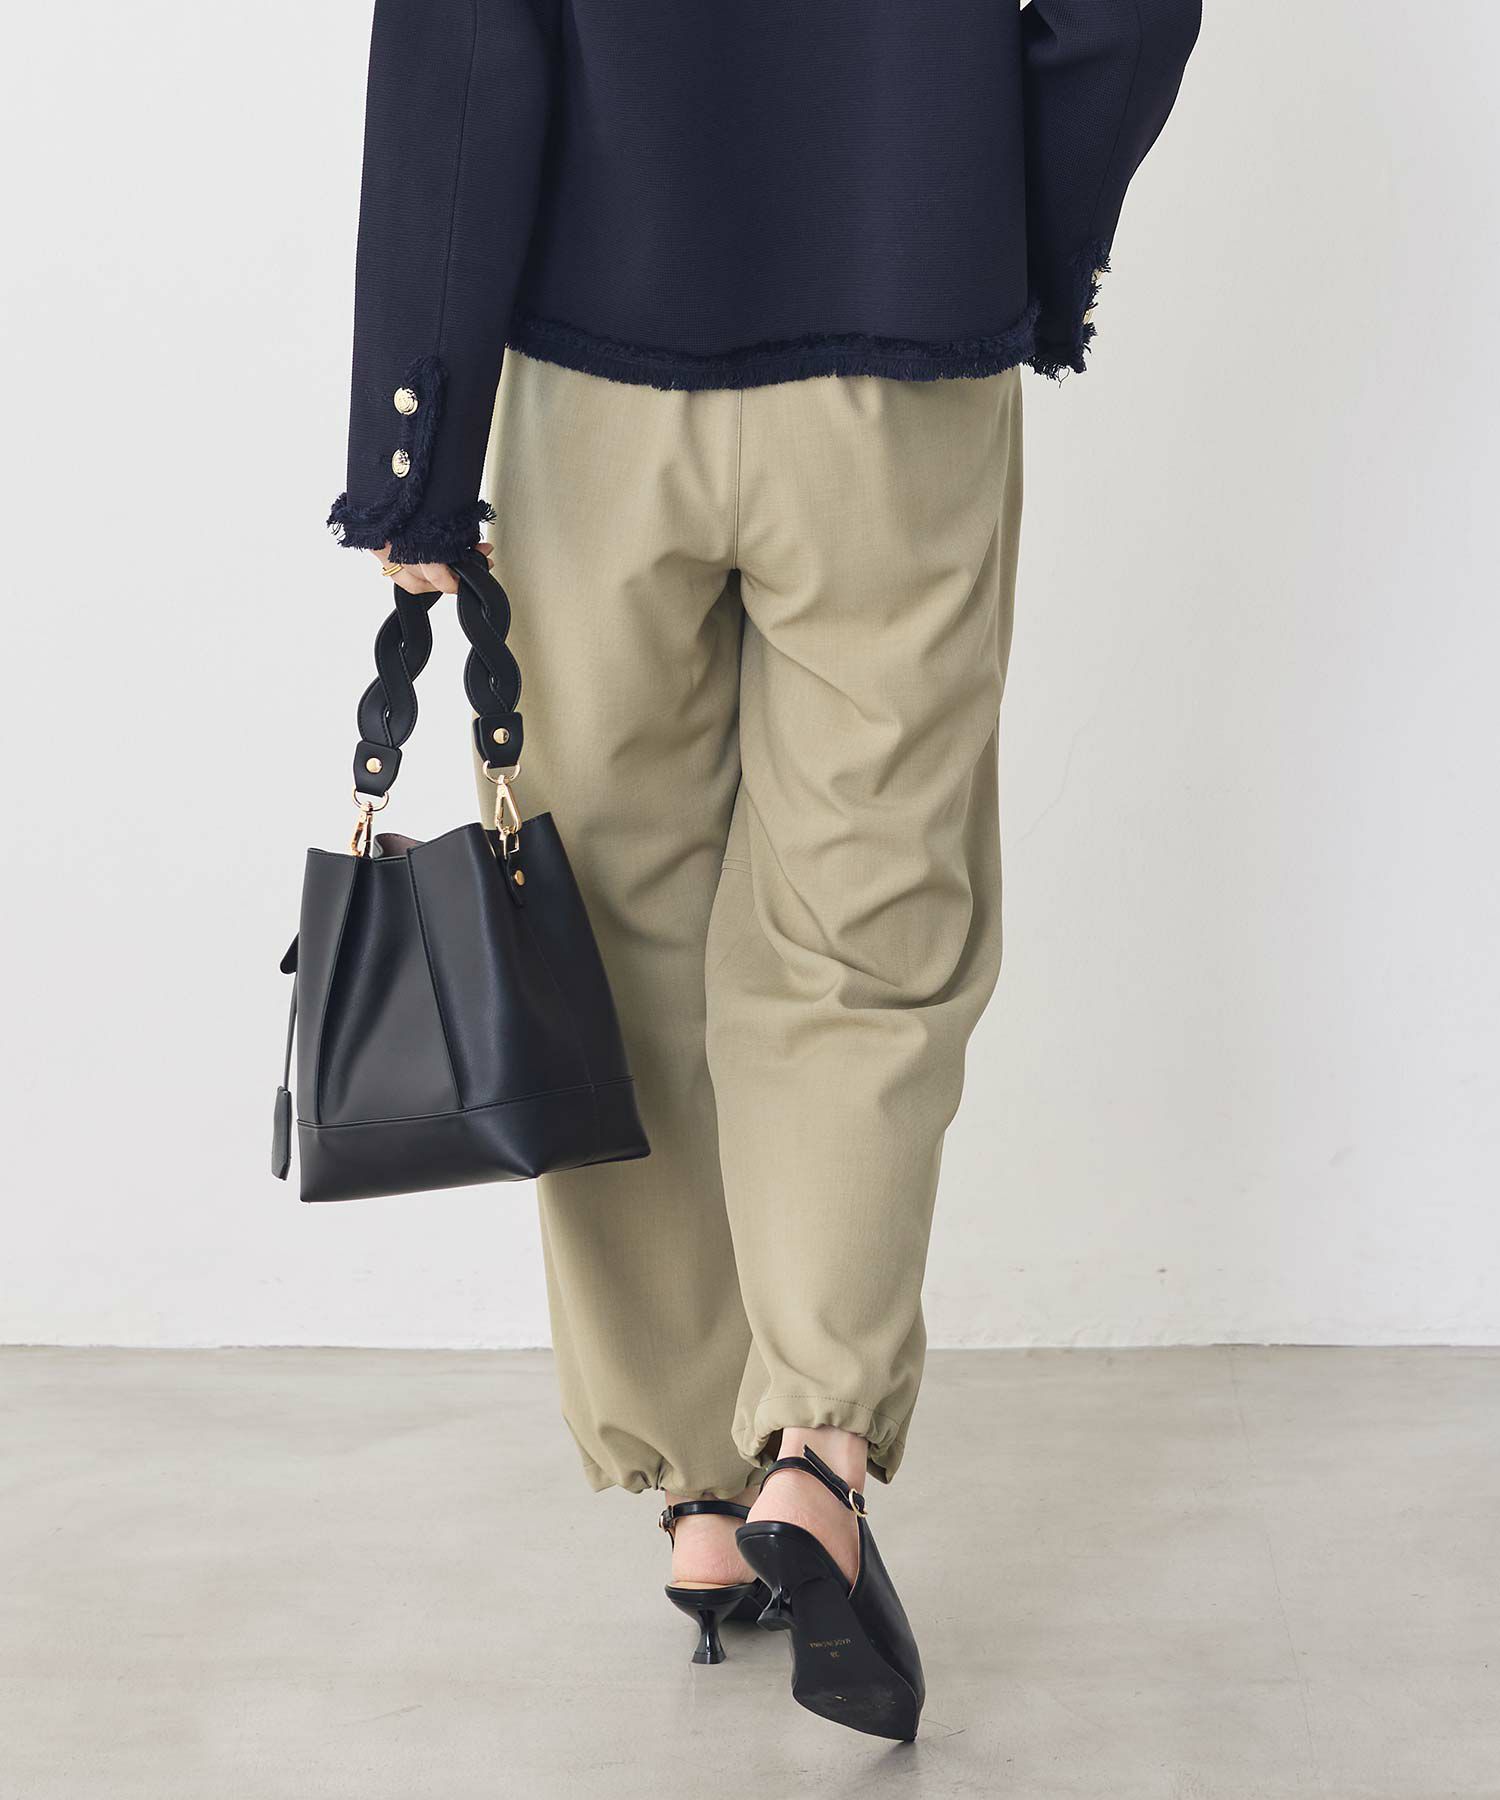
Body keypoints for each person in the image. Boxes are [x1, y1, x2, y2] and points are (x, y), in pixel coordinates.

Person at [327, 0, 1200, 1742]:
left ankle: (702, 1494)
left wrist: (412, 446)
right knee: (864, 932)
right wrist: (998, 228)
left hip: (595, 372)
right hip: (904, 352)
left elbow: (466, 36)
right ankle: (817, 1448)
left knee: (610, 926)